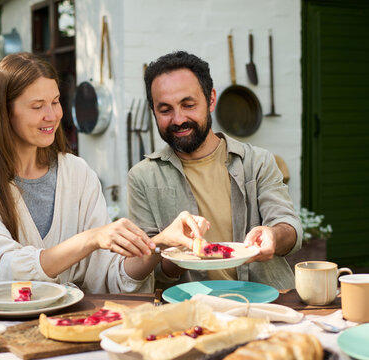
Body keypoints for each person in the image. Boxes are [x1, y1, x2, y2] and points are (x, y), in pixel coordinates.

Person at [0, 52, 205, 294]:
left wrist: (160, 244)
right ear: (5, 111)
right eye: (37, 106)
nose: (52, 115)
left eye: (55, 102)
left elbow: (107, 274)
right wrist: (91, 239)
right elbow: (1, 270)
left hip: (71, 324)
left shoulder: (76, 172)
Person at [127, 51, 302, 290]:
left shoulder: (257, 162)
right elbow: (154, 271)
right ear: (153, 110)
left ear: (211, 100)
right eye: (165, 110)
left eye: (188, 105)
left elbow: (288, 226)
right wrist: (175, 253)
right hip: (191, 309)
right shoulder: (142, 177)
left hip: (269, 301)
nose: (178, 119)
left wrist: (274, 235)